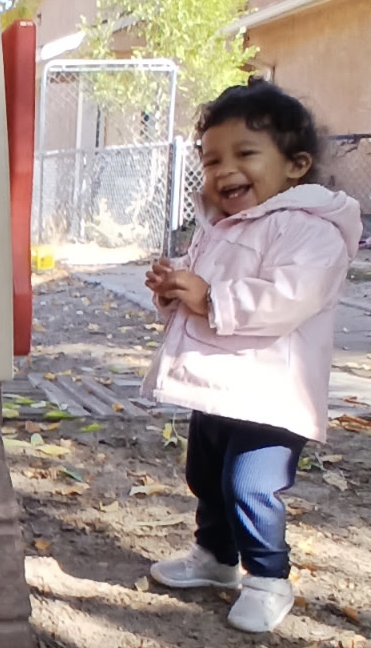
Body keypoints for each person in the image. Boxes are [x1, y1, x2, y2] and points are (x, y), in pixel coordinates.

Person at [142, 77, 361, 633]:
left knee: (250, 484)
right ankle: (216, 558)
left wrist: (211, 296)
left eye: (244, 153)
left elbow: (289, 297)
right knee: (207, 474)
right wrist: (175, 292)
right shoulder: (219, 228)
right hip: (217, 385)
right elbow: (198, 300)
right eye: (211, 159)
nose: (224, 170)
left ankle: (268, 576)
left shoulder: (311, 229)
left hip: (271, 394)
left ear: (296, 164)